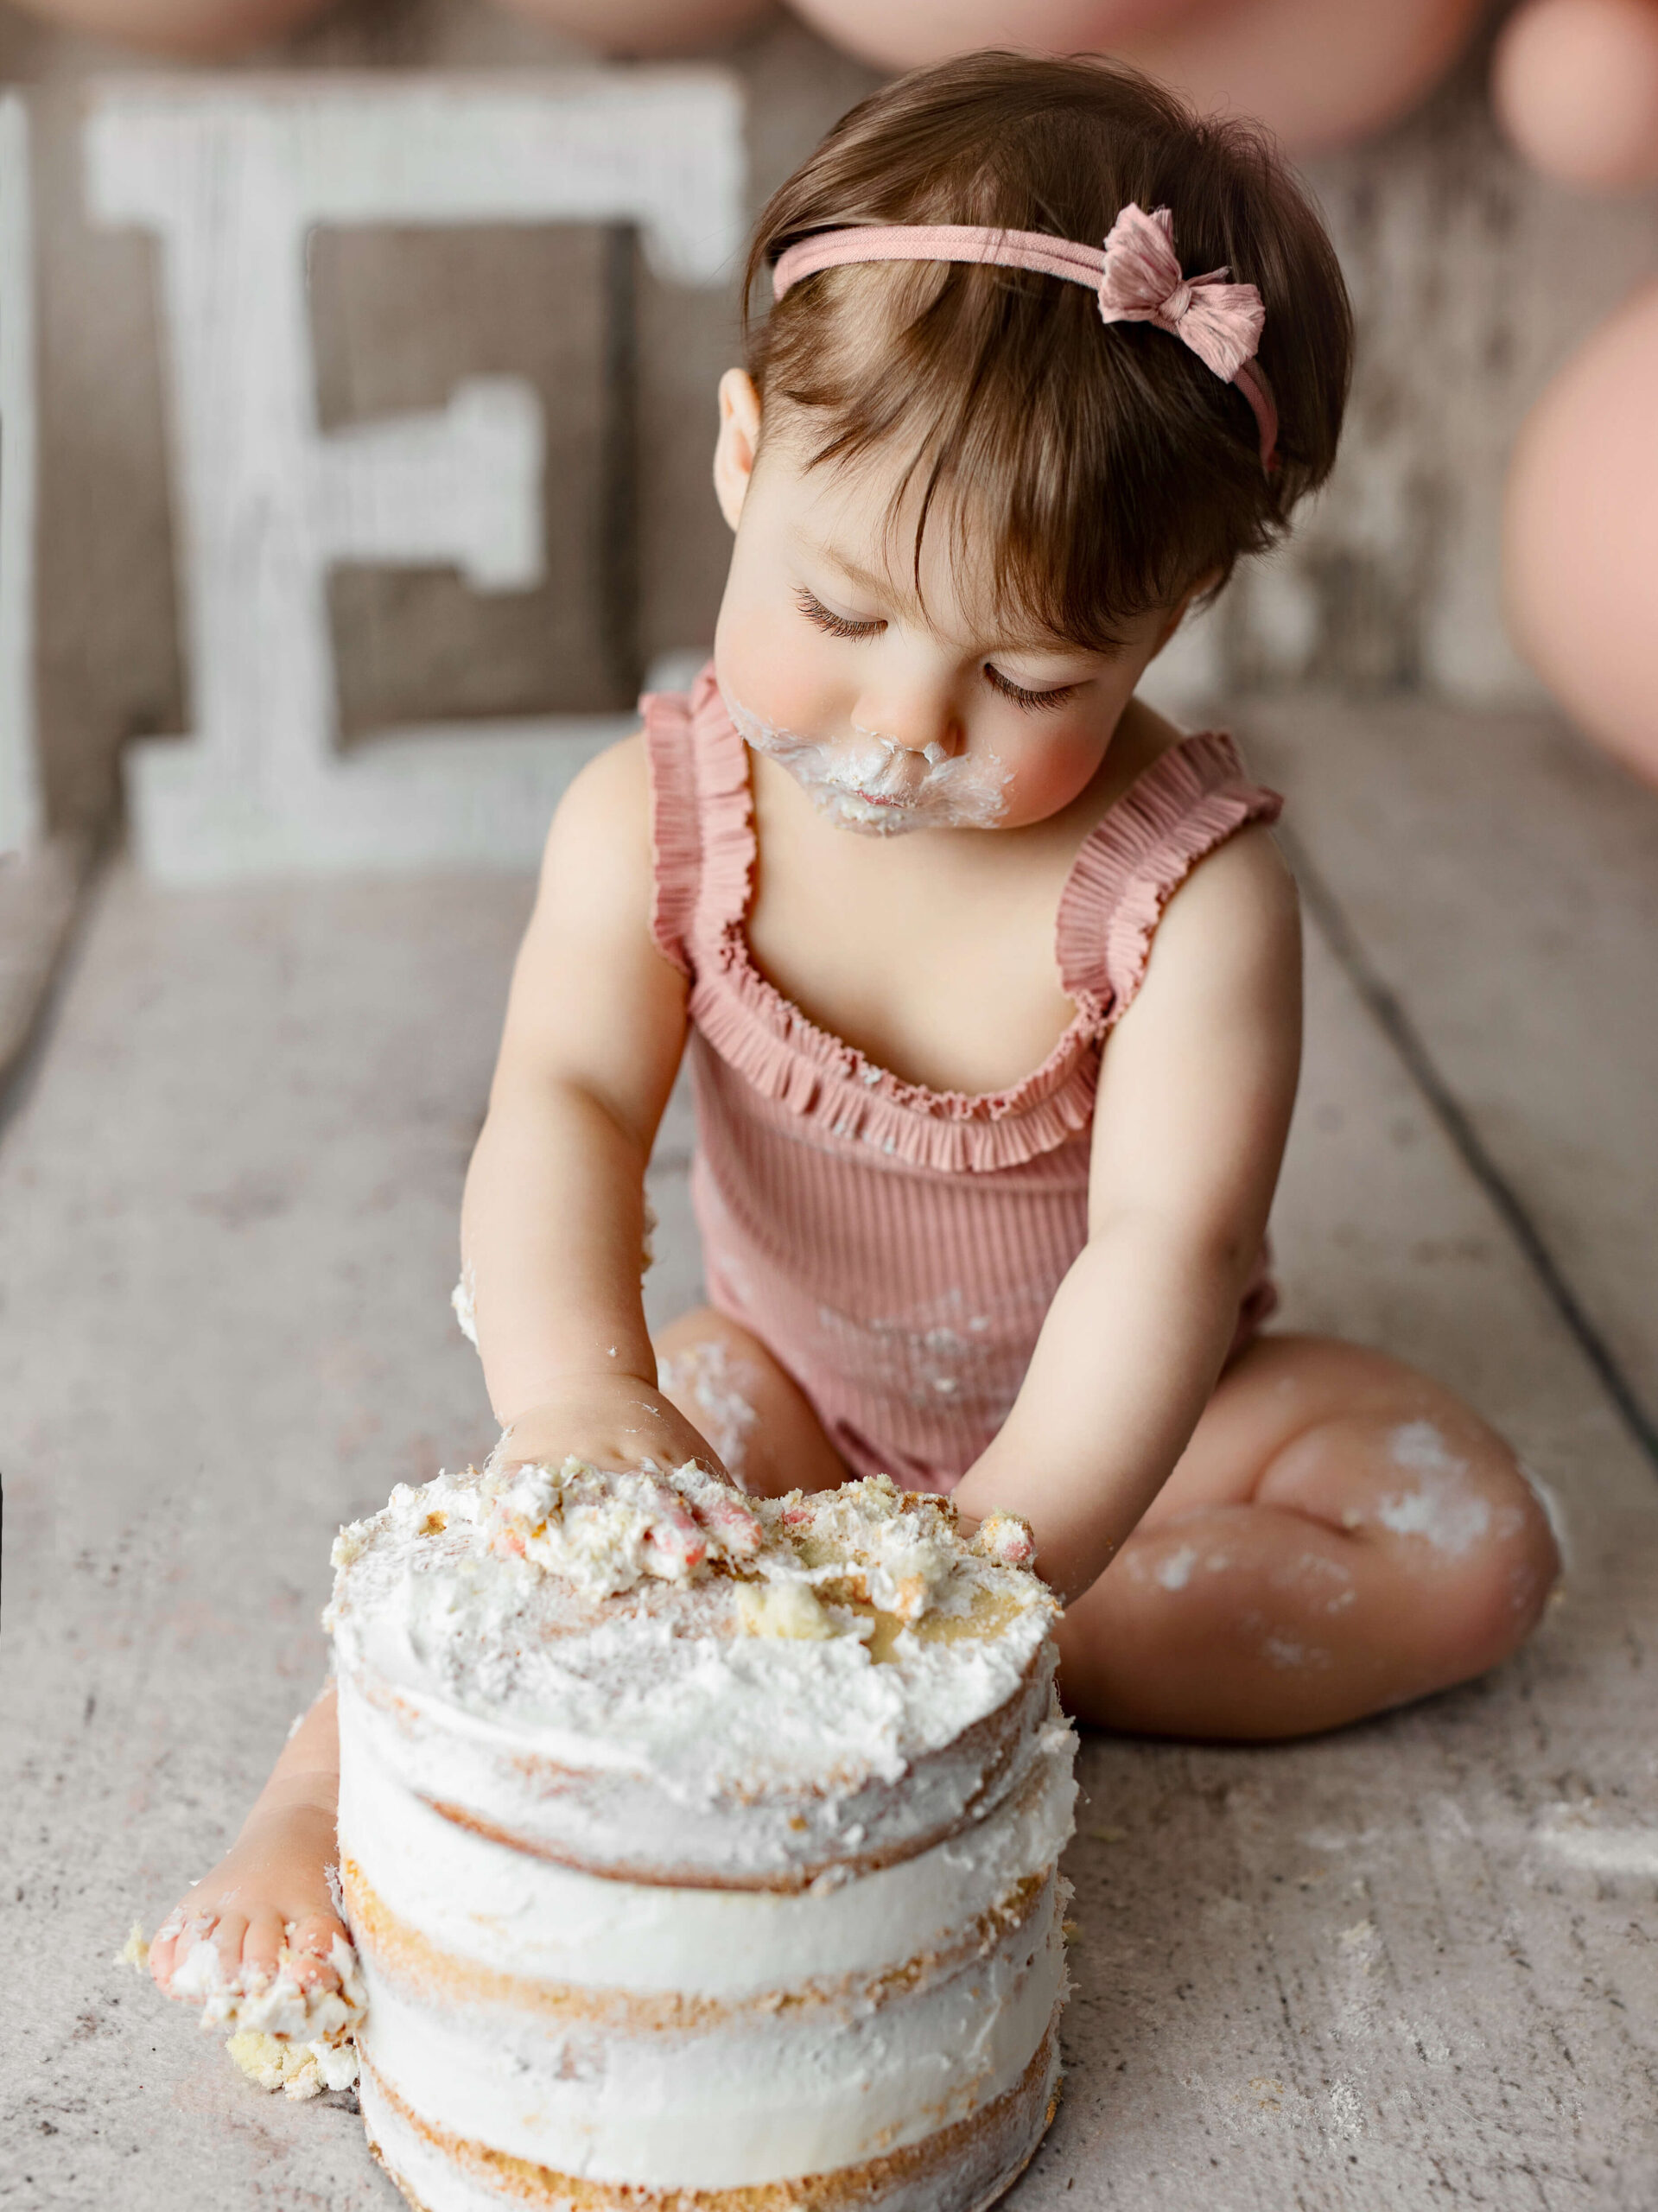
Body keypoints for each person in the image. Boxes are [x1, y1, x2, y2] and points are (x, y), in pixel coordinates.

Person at [149, 52, 1560, 2008]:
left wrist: (999, 1561)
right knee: (569, 1524)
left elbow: (1168, 1250)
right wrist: (580, 1404)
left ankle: (959, 1655)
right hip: (794, 1403)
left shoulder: (1188, 893)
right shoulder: (656, 817)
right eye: (841, 602)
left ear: (1162, 627)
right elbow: (558, 1106)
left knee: (1473, 1547)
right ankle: (326, 1792)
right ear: (745, 457)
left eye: (1028, 669)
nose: (910, 720)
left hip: (1127, 1443)